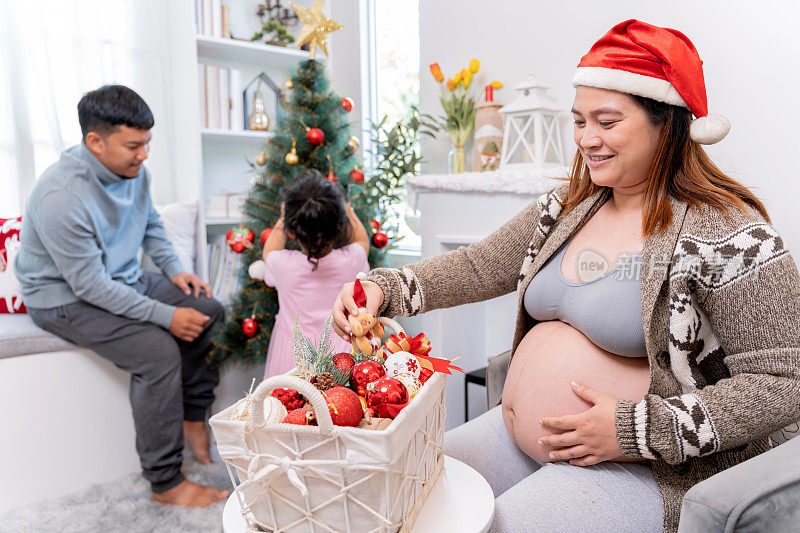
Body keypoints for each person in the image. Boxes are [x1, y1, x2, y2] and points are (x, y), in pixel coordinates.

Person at [332, 19, 800, 532]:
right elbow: (480, 265)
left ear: (666, 123)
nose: (587, 139)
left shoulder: (728, 232)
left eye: (606, 121)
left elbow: (784, 382)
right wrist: (386, 287)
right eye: (579, 121)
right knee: (402, 494)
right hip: (521, 439)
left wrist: (638, 431)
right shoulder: (569, 206)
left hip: (644, 466)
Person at [15, 85, 229, 508]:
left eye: (147, 143)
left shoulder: (135, 173)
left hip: (121, 280)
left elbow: (150, 225)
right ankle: (165, 482)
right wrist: (165, 317)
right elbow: (90, 286)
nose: (144, 154)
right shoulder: (61, 196)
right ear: (96, 141)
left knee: (209, 310)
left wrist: (175, 270)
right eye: (134, 145)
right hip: (62, 299)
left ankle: (193, 417)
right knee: (157, 351)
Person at [262, 170, 370, 378]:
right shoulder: (351, 259)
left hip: (292, 360)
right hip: (342, 358)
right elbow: (362, 241)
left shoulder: (283, 263)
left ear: (291, 230)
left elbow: (269, 251)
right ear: (340, 226)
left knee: (288, 408)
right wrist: (346, 208)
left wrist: (284, 216)